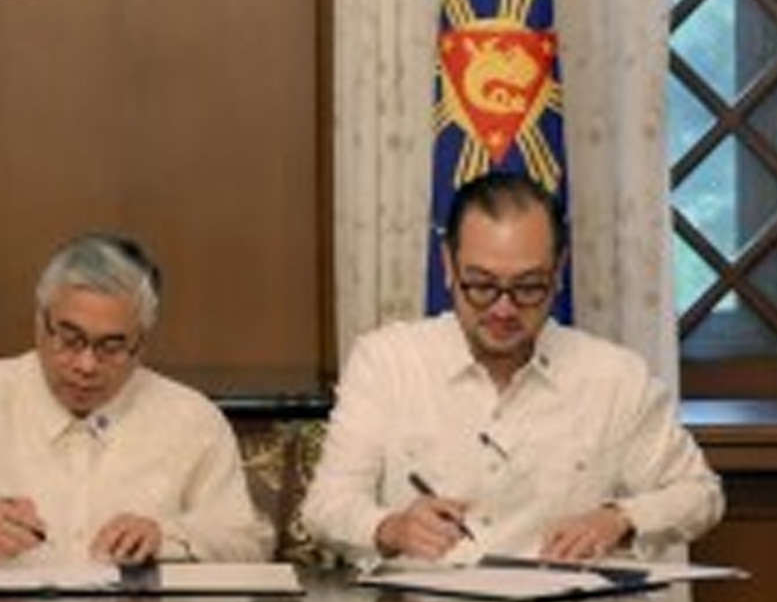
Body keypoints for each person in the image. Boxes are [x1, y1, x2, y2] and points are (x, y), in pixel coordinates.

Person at [301, 171, 724, 565]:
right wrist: (391, 528)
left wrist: (621, 518)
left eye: (528, 287)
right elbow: (325, 506)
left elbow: (700, 494)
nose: (503, 310)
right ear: (447, 265)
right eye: (482, 285)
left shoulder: (615, 377)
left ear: (559, 271)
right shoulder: (387, 362)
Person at [0, 233, 273, 569]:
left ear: (141, 345)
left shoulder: (191, 419)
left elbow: (248, 541)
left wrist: (168, 538)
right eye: (70, 339)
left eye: (111, 346)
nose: (86, 365)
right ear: (39, 323)